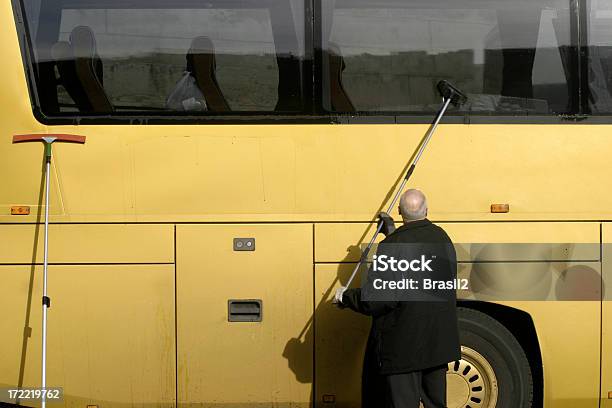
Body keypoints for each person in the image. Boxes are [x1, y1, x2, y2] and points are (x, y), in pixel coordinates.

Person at [334, 189, 460, 408]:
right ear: (427, 210)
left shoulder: (391, 247)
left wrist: (345, 297)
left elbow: (378, 299)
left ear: (400, 211)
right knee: (436, 403)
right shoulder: (442, 237)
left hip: (404, 348)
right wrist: (392, 234)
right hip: (437, 344)